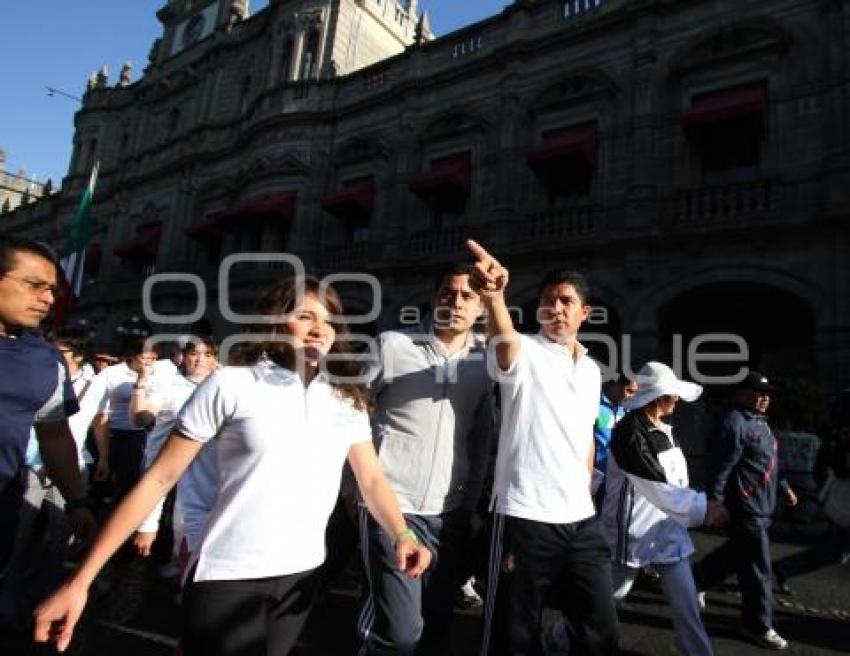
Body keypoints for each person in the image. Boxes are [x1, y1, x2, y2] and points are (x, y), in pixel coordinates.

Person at [33, 275, 432, 656]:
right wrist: (79, 581)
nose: (318, 329)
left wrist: (401, 532)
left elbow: (372, 479)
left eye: (328, 320)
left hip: (303, 575)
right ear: (274, 322)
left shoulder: (347, 398)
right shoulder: (232, 384)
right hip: (227, 574)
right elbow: (158, 478)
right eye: (305, 315)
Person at [467, 240, 619, 656]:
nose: (556, 308)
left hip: (581, 520)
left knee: (600, 629)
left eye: (566, 301)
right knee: (513, 636)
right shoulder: (526, 350)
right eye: (548, 301)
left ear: (584, 313)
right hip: (523, 515)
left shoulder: (590, 370)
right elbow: (506, 346)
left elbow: (586, 434)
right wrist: (495, 296)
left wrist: (585, 485)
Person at [358, 264, 495, 655]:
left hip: (449, 510)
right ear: (434, 298)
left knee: (435, 622)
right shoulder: (392, 344)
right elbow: (351, 413)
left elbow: (482, 435)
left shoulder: (486, 362)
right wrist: (355, 488)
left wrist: (471, 505)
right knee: (399, 632)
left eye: (468, 296)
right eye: (447, 293)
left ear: (482, 307)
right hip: (391, 505)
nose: (456, 302)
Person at [0, 237, 96, 624]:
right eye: (33, 285)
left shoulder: (47, 360)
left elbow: (54, 435)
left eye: (52, 290)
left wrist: (76, 501)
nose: (47, 299)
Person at [694, 372, 797, 651]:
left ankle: (695, 581)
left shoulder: (760, 423)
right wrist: (715, 502)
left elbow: (768, 460)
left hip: (762, 505)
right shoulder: (734, 423)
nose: (764, 398)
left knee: (737, 554)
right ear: (740, 393)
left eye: (767, 394)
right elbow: (720, 467)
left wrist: (784, 485)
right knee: (757, 568)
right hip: (746, 508)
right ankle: (757, 625)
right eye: (757, 393)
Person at [129, 336, 219, 564]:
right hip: (163, 466)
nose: (199, 360)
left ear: (215, 359)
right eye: (193, 354)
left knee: (189, 526)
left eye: (207, 355)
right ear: (183, 358)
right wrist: (140, 384)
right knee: (148, 537)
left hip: (203, 471)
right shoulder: (168, 384)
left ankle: (179, 568)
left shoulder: (222, 386)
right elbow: (142, 418)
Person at [593, 372, 637, 508]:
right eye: (629, 391)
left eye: (635, 392)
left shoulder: (628, 411)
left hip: (618, 479)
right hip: (596, 476)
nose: (632, 396)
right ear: (616, 385)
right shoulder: (594, 405)